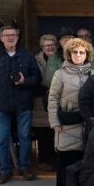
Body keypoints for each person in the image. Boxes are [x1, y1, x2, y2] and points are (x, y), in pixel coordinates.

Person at [0, 25, 41, 183]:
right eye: (7, 35)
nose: (10, 37)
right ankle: (4, 171)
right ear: (0, 38)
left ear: (18, 36)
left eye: (13, 34)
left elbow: (37, 78)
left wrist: (25, 81)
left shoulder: (27, 55)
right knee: (2, 139)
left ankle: (25, 168)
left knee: (25, 137)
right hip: (1, 104)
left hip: (23, 103)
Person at [47, 38, 94, 186]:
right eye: (75, 52)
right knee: (64, 159)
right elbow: (53, 98)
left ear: (87, 55)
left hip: (86, 123)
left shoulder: (93, 74)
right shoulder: (60, 74)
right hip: (67, 122)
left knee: (83, 158)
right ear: (69, 54)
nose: (78, 55)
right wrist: (54, 122)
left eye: (82, 52)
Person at [33, 34, 62, 171]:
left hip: (59, 98)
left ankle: (56, 159)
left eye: (52, 44)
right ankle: (44, 159)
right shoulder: (35, 60)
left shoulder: (62, 58)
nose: (49, 47)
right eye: (46, 45)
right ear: (42, 47)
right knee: (43, 131)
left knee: (57, 129)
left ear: (57, 45)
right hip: (40, 100)